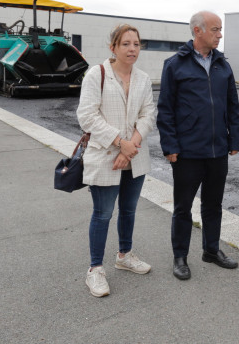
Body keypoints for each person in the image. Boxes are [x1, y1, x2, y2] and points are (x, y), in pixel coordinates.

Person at [157, 10, 239, 281]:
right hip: (188, 153)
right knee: (183, 207)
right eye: (215, 29)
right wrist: (170, 146)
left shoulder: (222, 65)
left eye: (220, 30)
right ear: (198, 31)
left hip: (218, 151)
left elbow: (232, 105)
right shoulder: (175, 65)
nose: (220, 34)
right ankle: (180, 257)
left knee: (213, 204)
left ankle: (211, 250)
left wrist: (234, 140)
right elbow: (166, 109)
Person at [76, 24, 157, 298]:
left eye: (136, 44)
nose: (132, 48)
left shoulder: (143, 79)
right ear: (113, 47)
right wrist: (119, 142)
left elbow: (148, 115)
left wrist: (129, 146)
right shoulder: (96, 74)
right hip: (105, 156)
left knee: (129, 210)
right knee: (103, 213)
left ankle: (124, 255)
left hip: (133, 156)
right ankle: (95, 270)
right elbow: (87, 116)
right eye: (126, 44)